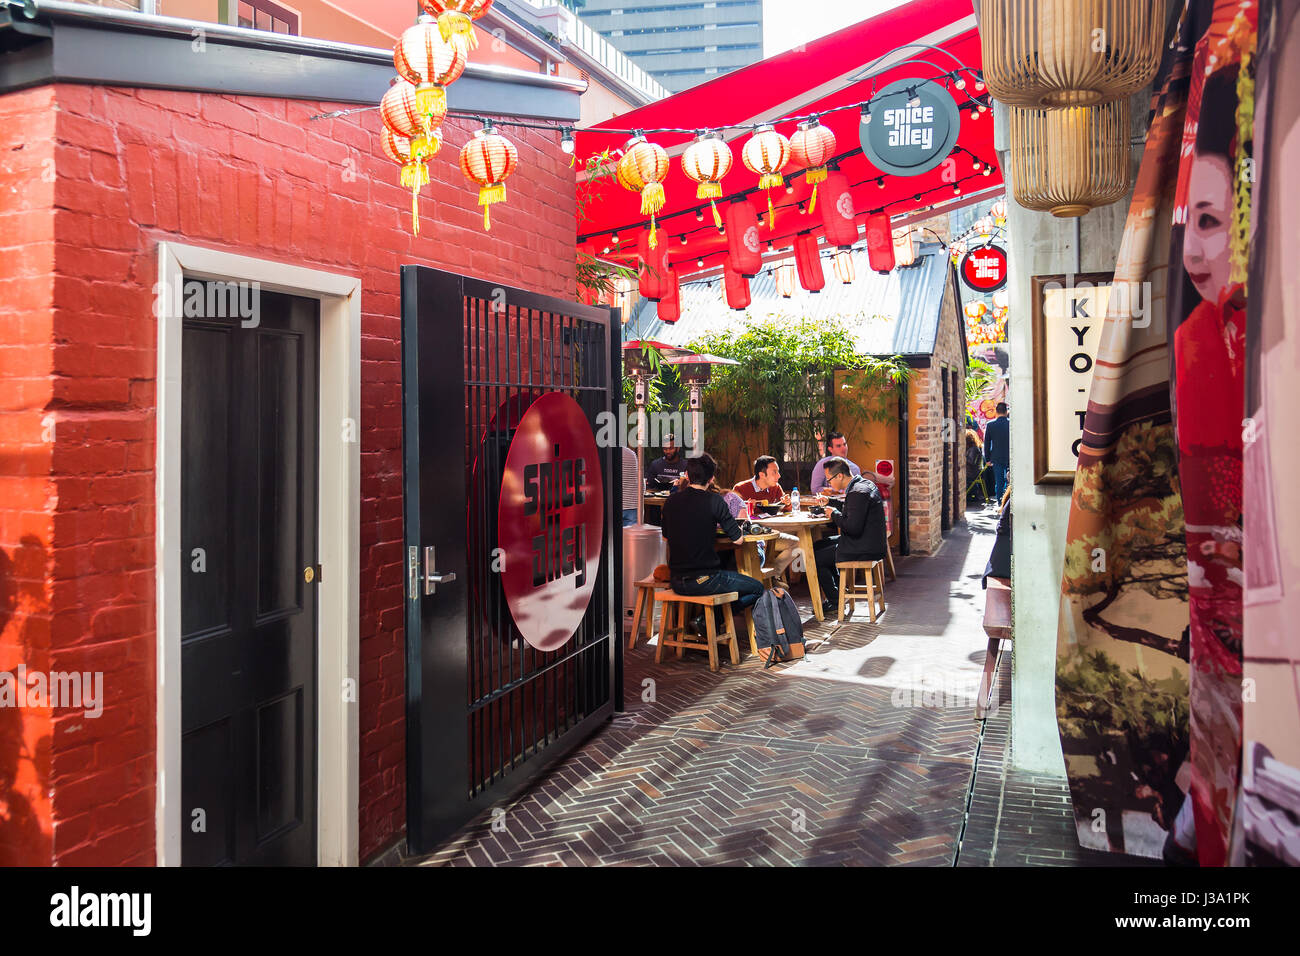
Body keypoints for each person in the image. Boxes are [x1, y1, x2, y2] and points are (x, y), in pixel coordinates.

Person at [661, 453, 765, 616]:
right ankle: (710, 620)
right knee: (759, 588)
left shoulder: (671, 501)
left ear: (687, 476)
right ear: (711, 478)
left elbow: (666, 536)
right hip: (706, 580)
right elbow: (738, 539)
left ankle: (705, 621)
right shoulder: (715, 501)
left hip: (676, 580)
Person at [812, 457, 888, 614]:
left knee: (814, 558)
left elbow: (852, 527)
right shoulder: (862, 485)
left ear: (839, 476)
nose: (829, 484)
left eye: (829, 480)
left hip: (865, 546)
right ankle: (839, 592)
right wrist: (831, 501)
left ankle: (835, 600)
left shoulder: (857, 492)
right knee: (817, 546)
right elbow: (854, 510)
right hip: (867, 541)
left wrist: (834, 514)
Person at [732, 455, 803, 581]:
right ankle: (765, 579)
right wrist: (748, 508)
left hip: (772, 533)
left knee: (798, 543)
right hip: (753, 538)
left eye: (778, 472)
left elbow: (788, 510)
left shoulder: (775, 488)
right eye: (774, 472)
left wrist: (786, 503)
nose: (779, 476)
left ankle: (773, 575)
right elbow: (734, 516)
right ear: (762, 474)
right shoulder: (740, 489)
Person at [809, 432, 895, 496]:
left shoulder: (854, 468)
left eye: (844, 444)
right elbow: (815, 489)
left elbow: (857, 491)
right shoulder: (823, 465)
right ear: (830, 449)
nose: (843, 448)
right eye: (839, 446)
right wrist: (837, 491)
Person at [983, 403, 1010, 505]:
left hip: (996, 457)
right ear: (1006, 412)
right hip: (1010, 456)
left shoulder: (990, 425)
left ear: (996, 412)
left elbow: (986, 443)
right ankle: (1007, 502)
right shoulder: (1011, 424)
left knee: (999, 481)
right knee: (1009, 480)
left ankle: (1000, 502)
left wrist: (987, 459)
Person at [622, 445, 639, 527]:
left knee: (612, 538)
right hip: (632, 505)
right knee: (629, 539)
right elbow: (639, 480)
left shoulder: (606, 455)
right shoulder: (631, 454)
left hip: (613, 505)